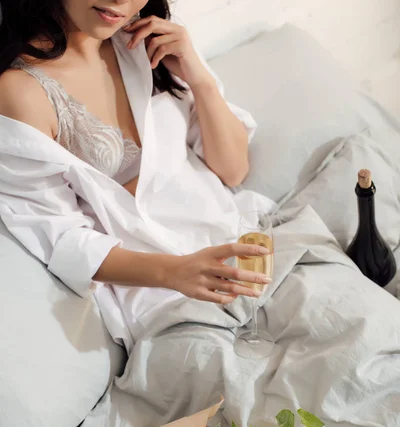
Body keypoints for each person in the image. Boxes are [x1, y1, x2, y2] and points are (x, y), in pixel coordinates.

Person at [0, 0, 275, 351]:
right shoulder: (23, 92)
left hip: (241, 244)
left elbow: (233, 170)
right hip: (162, 299)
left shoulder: (149, 38)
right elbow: (59, 237)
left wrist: (198, 76)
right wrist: (174, 272)